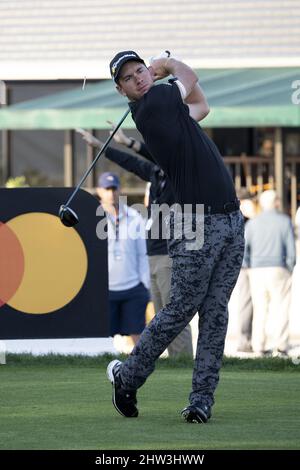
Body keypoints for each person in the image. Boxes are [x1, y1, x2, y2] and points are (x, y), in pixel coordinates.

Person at [106, 50, 244, 423]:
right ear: (123, 91)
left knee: (216, 314)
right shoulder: (152, 105)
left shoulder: (168, 107)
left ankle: (201, 400)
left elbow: (202, 105)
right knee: (182, 309)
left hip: (230, 219)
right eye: (129, 78)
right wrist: (166, 63)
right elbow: (190, 76)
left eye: (140, 70)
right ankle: (128, 377)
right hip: (194, 223)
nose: (139, 78)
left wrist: (164, 70)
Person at [80, 127, 193, 357]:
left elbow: (159, 156)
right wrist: (101, 147)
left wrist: (132, 143)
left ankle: (183, 363)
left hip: (171, 254)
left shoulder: (178, 173)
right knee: (161, 318)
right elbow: (130, 163)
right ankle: (173, 363)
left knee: (176, 315)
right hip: (154, 255)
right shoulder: (156, 174)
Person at [97, 171, 150, 347]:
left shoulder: (135, 217)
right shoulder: (92, 217)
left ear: (120, 190)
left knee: (138, 338)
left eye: (114, 189)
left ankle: (142, 371)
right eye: (107, 189)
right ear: (99, 191)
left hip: (133, 287)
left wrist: (145, 284)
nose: (111, 193)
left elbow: (142, 253)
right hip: (104, 289)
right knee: (103, 339)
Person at [244, 190, 296, 356]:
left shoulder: (252, 223)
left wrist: (249, 267)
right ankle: (281, 345)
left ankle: (258, 345)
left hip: (257, 270)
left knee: (260, 309)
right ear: (277, 203)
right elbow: (291, 249)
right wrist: (289, 266)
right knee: (281, 307)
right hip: (278, 268)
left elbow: (244, 249)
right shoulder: (284, 221)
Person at [234, 189, 256, 352]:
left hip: (245, 265)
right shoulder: (241, 219)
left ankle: (246, 339)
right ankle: (244, 339)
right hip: (243, 266)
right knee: (246, 303)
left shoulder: (248, 220)